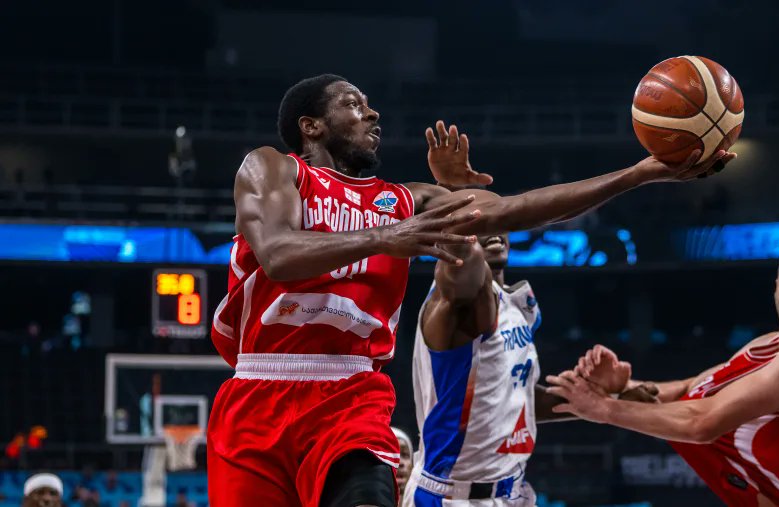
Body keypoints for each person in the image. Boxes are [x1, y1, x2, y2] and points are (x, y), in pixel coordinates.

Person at [208, 73, 734, 507]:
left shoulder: (404, 201)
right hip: (260, 386)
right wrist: (388, 237)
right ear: (311, 125)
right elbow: (277, 255)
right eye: (354, 104)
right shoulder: (273, 167)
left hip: (352, 393)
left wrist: (636, 175)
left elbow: (514, 210)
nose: (373, 115)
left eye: (371, 106)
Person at [547, 237, 779, 506]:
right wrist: (621, 384)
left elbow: (701, 421)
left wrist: (603, 408)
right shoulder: (765, 347)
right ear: (777, 282)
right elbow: (689, 389)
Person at [402, 233, 655, 506]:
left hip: (514, 490)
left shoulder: (518, 305)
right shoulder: (452, 301)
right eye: (484, 221)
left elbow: (517, 398)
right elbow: (463, 260)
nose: (496, 229)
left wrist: (604, 398)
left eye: (503, 220)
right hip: (452, 494)